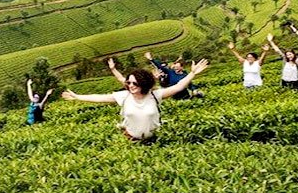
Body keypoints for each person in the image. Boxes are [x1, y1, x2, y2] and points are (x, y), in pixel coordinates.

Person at [64, 59, 209, 142]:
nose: (131, 86)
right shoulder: (124, 96)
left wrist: (192, 73)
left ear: (143, 83)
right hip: (131, 140)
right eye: (129, 83)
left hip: (154, 140)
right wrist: (78, 97)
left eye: (134, 83)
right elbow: (99, 97)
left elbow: (178, 87)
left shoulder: (155, 95)